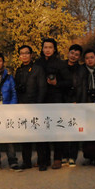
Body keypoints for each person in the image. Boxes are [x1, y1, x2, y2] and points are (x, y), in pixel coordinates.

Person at [35, 38, 72, 170]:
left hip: (56, 98)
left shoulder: (60, 63)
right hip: (41, 99)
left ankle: (57, 158)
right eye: (45, 47)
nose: (48, 50)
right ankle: (43, 159)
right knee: (42, 129)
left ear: (54, 49)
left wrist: (57, 83)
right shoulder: (38, 62)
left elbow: (69, 82)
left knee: (57, 130)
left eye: (50, 47)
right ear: (42, 48)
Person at [14, 45, 46, 170]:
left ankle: (42, 162)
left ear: (31, 54)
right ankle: (26, 161)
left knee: (39, 137)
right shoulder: (19, 70)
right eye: (22, 53)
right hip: (23, 106)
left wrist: (38, 105)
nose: (24, 55)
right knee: (25, 136)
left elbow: (42, 88)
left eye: (27, 53)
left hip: (36, 105)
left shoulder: (38, 69)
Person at [63, 44, 87, 167]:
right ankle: (64, 155)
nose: (73, 56)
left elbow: (83, 88)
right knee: (62, 128)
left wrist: (80, 103)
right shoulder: (61, 66)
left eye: (76, 55)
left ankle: (72, 156)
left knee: (74, 129)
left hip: (76, 102)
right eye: (72, 53)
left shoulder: (82, 70)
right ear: (68, 53)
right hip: (62, 102)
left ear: (79, 57)